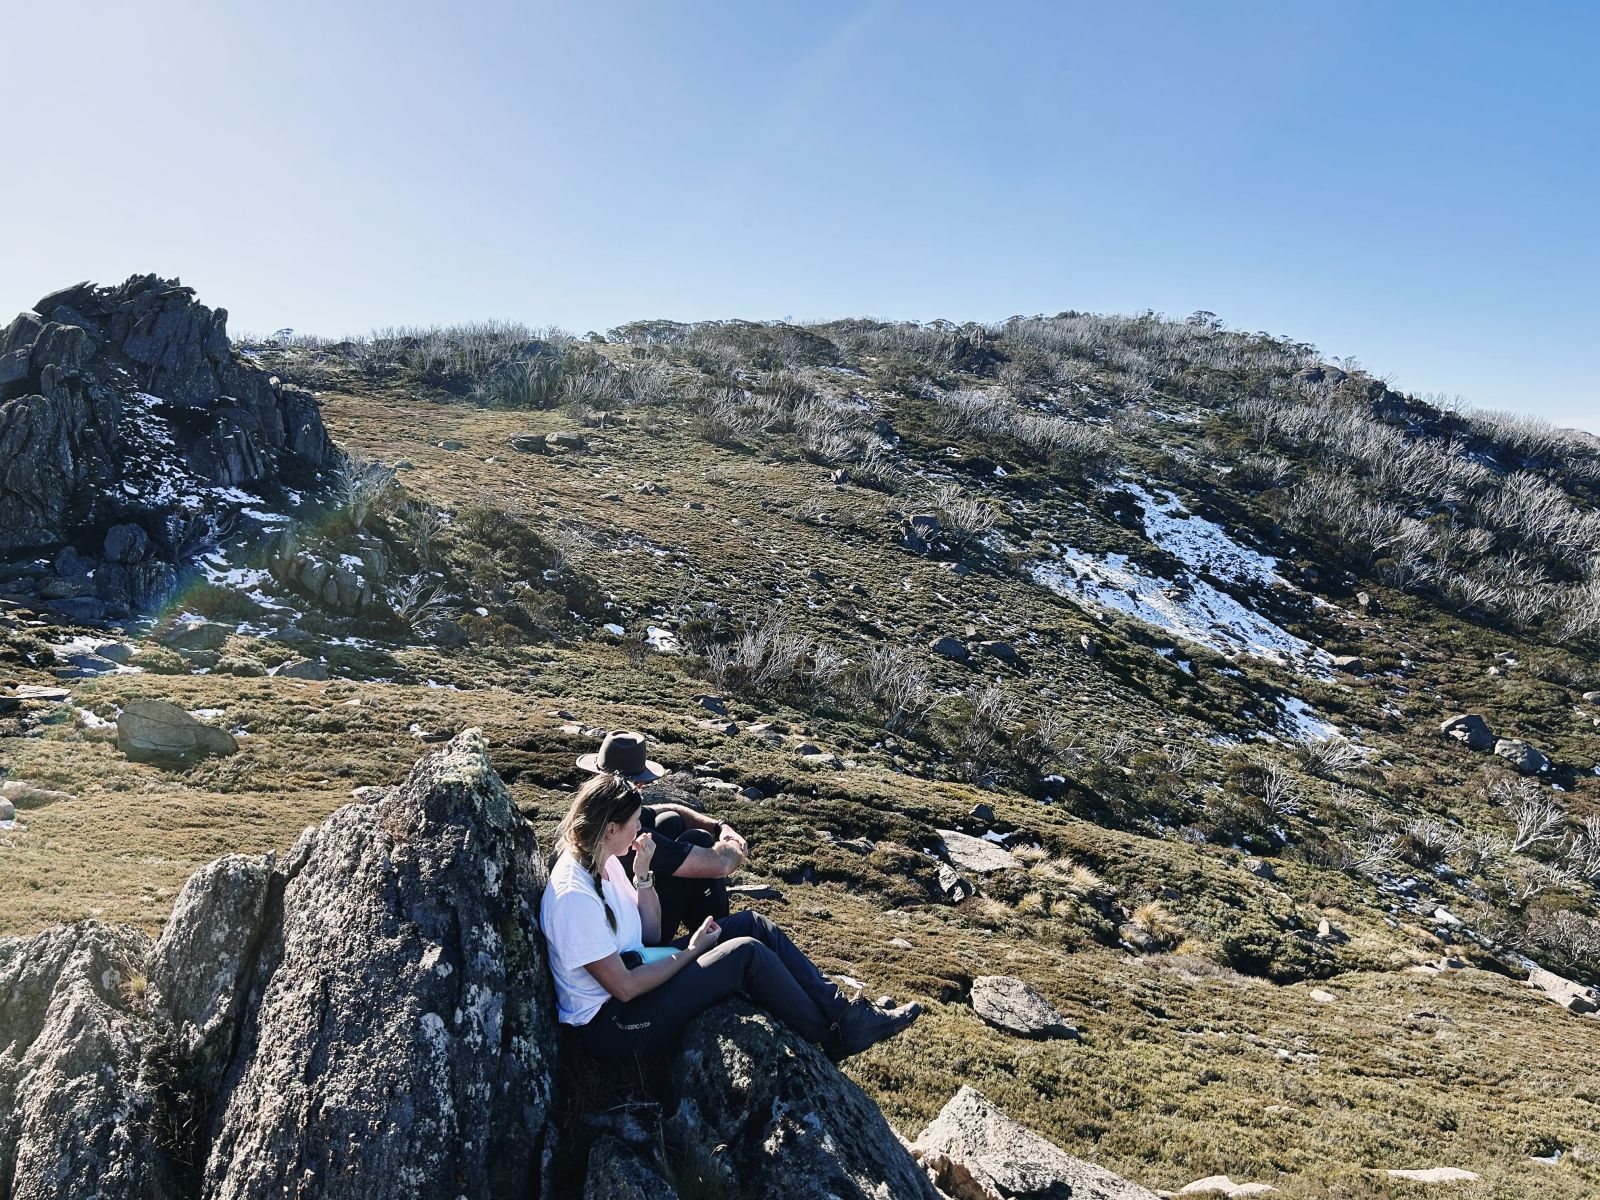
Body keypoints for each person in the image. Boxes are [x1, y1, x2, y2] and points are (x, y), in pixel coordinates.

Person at [541, 770, 920, 1064]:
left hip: (638, 968)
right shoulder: (574, 893)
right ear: (610, 829)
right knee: (745, 954)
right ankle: (832, 1034)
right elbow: (623, 987)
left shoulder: (606, 861)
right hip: (614, 1026)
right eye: (634, 823)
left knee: (752, 923)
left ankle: (844, 1014)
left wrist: (642, 874)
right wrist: (691, 952)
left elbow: (650, 933)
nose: (641, 829)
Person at [577, 730, 746, 942]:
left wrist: (719, 826)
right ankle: (720, 937)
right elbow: (719, 864)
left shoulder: (595, 813)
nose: (642, 788)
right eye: (639, 784)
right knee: (698, 840)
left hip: (626, 908)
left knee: (669, 819)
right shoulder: (625, 833)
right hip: (640, 934)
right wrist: (733, 844)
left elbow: (663, 809)